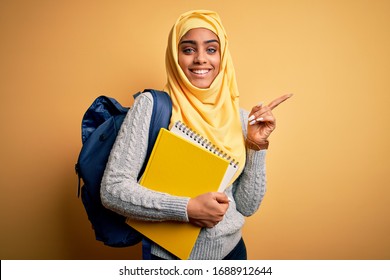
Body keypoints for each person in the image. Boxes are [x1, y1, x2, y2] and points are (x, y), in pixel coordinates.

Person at [100, 10, 292, 260]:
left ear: (223, 56)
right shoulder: (152, 106)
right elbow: (112, 191)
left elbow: (247, 207)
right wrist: (187, 209)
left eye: (211, 49)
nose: (201, 59)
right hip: (170, 260)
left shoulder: (243, 118)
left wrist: (257, 145)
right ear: (174, 55)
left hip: (233, 254)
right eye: (188, 49)